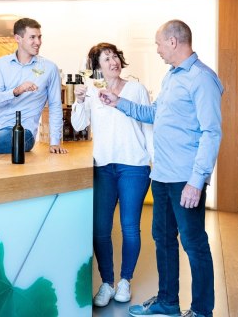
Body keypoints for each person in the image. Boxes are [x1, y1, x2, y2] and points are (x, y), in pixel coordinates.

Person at [99, 20, 223, 317]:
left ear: (172, 42)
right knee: (164, 239)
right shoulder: (171, 77)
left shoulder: (202, 78)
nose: (156, 49)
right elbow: (154, 114)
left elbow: (211, 132)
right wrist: (119, 103)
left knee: (194, 245)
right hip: (163, 176)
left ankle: (202, 311)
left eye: (158, 43)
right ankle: (168, 302)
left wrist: (197, 180)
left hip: (185, 180)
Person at [70, 43, 153, 307]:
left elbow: (148, 125)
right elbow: (78, 125)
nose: (112, 62)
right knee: (100, 229)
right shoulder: (93, 94)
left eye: (114, 56)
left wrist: (155, 162)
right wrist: (80, 99)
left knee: (130, 227)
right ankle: (107, 282)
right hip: (104, 166)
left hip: (134, 166)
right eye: (106, 59)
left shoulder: (137, 89)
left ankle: (125, 281)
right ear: (97, 67)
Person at [0, 17, 67, 157]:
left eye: (39, 37)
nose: (38, 42)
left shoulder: (49, 68)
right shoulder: (1, 64)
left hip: (25, 133)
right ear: (18, 38)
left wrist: (55, 141)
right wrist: (17, 90)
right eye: (32, 37)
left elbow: (55, 105)